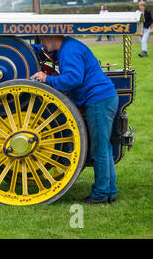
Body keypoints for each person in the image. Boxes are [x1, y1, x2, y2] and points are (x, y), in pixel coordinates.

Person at [31, 35, 119, 205]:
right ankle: (109, 191)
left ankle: (100, 194)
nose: (41, 44)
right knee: (104, 148)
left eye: (41, 40)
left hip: (98, 100)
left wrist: (46, 79)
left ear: (51, 36)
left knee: (99, 149)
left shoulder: (69, 50)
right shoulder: (67, 47)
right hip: (102, 99)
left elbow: (73, 78)